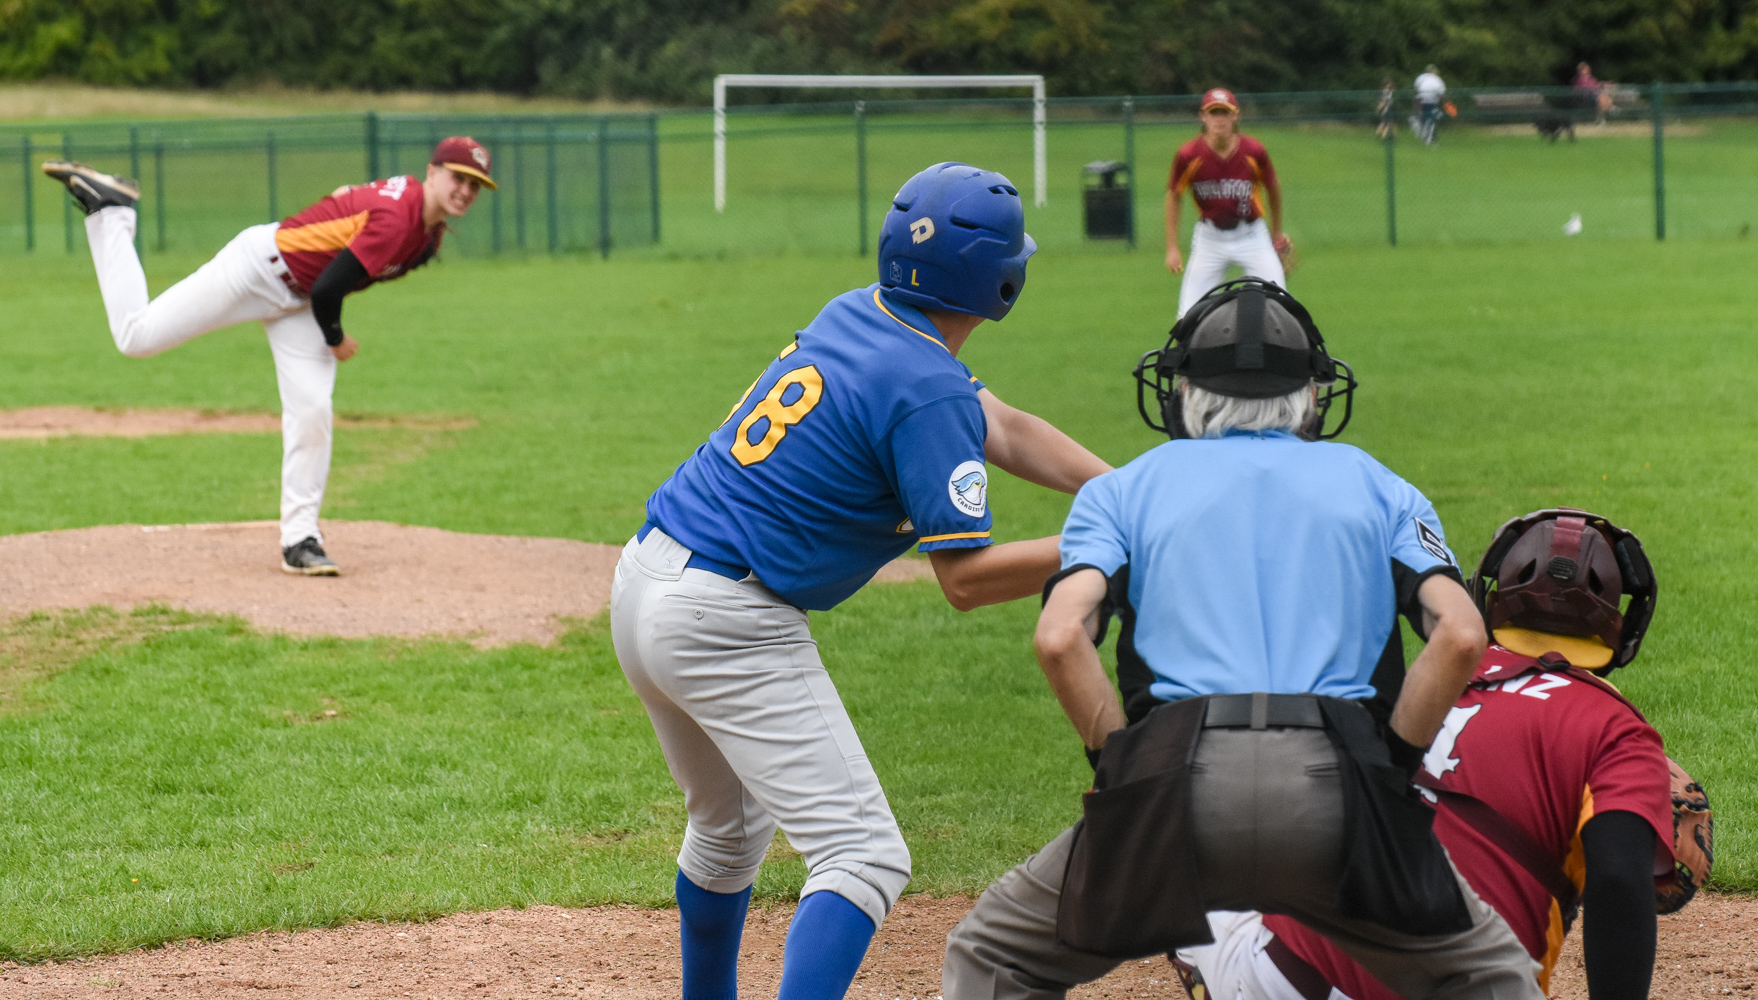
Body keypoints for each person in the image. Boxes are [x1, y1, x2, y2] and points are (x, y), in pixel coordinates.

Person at [942, 278, 1546, 1000]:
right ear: (1313, 395)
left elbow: (1060, 635)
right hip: (1340, 792)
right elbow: (1461, 633)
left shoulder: (1121, 490)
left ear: (1181, 391)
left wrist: (1122, 766)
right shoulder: (1380, 485)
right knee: (1487, 975)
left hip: (1174, 789)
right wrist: (1390, 766)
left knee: (993, 954)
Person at [610, 161, 1111, 1000]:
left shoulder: (863, 311)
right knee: (864, 854)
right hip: (724, 617)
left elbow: (1005, 426)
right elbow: (965, 580)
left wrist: (1126, 491)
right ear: (999, 282)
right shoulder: (926, 388)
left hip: (644, 581)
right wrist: (1106, 540)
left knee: (728, 833)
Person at [1171, 508, 1714, 1000]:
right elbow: (1618, 880)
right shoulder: (1618, 730)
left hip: (1290, 978)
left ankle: (1211, 960)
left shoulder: (1424, 682)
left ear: (1491, 600)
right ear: (1623, 625)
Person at [42, 137, 495, 575]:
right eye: (457, 177)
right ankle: (113, 213)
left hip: (299, 301)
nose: (465, 190)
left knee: (312, 409)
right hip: (257, 270)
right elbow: (329, 289)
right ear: (432, 172)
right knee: (136, 336)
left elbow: (345, 205)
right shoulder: (399, 217)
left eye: (475, 185)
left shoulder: (425, 231)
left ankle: (300, 540)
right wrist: (336, 338)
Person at [1164, 88, 1291, 318]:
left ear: (1236, 116)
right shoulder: (1189, 155)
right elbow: (1173, 195)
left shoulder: (1253, 151)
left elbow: (1273, 187)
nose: (1219, 119)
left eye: (1225, 112)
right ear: (1203, 117)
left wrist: (1277, 233)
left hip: (1251, 236)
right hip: (1210, 240)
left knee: (1281, 307)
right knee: (1187, 316)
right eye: (1214, 113)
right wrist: (1172, 247)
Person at [1412, 65, 1447, 145]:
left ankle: (1429, 135)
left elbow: (1416, 90)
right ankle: (1429, 136)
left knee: (1430, 120)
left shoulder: (1422, 78)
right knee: (1429, 120)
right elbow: (1442, 94)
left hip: (1428, 102)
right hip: (1425, 102)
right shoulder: (1435, 80)